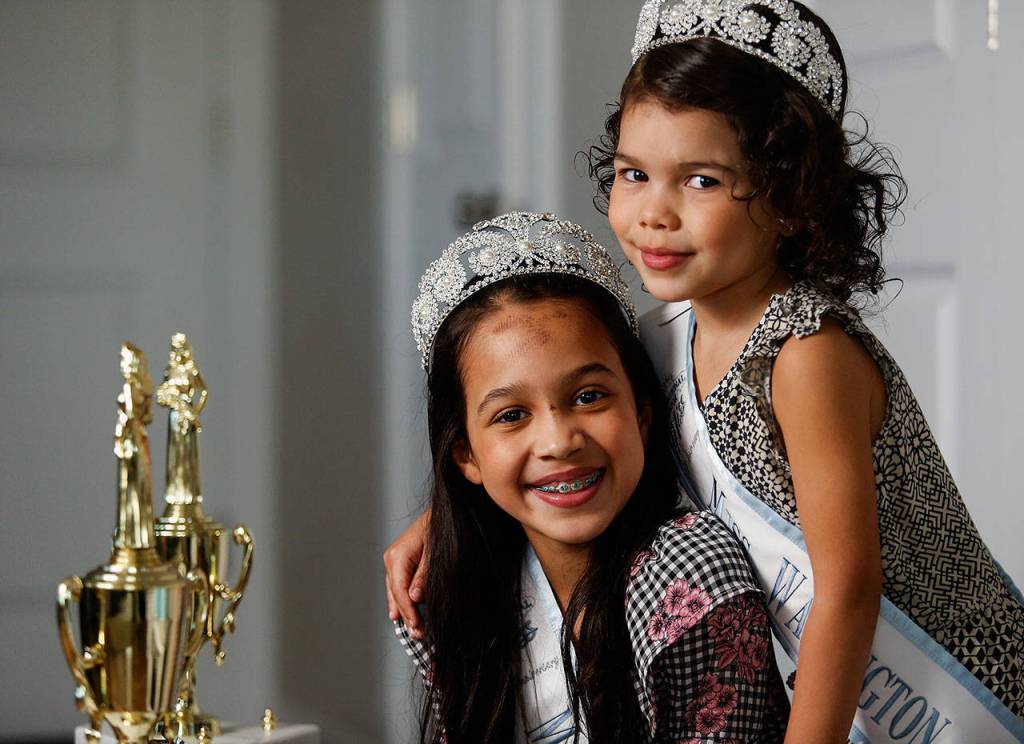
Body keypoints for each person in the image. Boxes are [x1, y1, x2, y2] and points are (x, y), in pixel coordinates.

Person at [387, 3, 1024, 741]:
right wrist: (440, 518)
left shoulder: (804, 355)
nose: (654, 212)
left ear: (791, 194)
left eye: (701, 181)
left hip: (954, 698)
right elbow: (568, 427)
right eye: (635, 173)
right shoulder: (671, 333)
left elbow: (848, 589)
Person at [397, 211, 789, 743]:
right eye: (512, 415)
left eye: (588, 396)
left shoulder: (687, 571)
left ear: (643, 412)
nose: (559, 441)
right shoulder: (460, 583)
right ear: (465, 454)